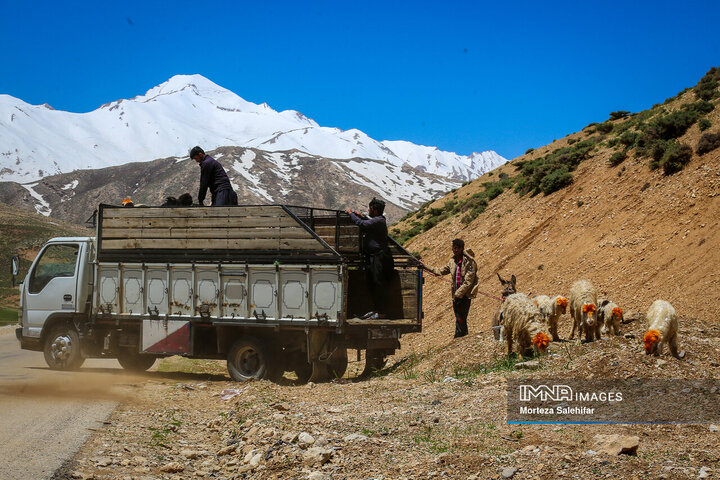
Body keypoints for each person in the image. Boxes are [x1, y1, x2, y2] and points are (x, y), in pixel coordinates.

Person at [345, 198, 395, 320]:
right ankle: (376, 310)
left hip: (379, 257)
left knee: (379, 283)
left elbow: (363, 224)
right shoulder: (377, 220)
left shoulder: (379, 221)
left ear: (375, 210)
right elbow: (367, 222)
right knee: (373, 283)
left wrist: (351, 214)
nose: (368, 210)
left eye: (370, 208)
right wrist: (361, 216)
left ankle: (382, 312)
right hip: (374, 256)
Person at [421, 238, 478, 338]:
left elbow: (468, 281)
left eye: (457, 248)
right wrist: (425, 266)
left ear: (461, 248)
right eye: (453, 248)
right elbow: (439, 271)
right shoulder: (452, 262)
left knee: (461, 316)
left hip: (465, 295)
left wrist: (459, 293)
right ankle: (463, 336)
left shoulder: (470, 262)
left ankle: (459, 336)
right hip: (456, 295)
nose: (454, 250)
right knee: (458, 316)